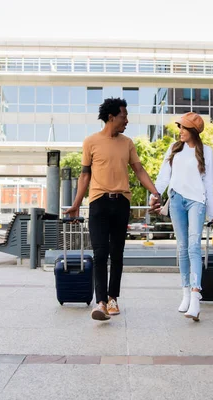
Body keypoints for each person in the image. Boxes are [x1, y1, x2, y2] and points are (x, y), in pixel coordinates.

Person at [65, 97, 161, 321]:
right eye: (123, 116)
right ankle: (100, 303)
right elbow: (85, 175)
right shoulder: (90, 142)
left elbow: (139, 170)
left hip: (121, 202)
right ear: (111, 117)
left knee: (117, 253)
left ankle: (113, 298)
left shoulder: (127, 143)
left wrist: (155, 192)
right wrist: (77, 204)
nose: (126, 120)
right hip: (98, 201)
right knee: (100, 253)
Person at [149, 112, 213, 321]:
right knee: (181, 248)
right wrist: (155, 195)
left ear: (193, 131)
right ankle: (185, 293)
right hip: (177, 200)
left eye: (184, 128)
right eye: (180, 127)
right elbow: (163, 176)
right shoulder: (174, 149)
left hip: (196, 201)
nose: (180, 131)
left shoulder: (206, 151)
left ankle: (196, 297)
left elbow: (208, 184)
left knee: (194, 247)